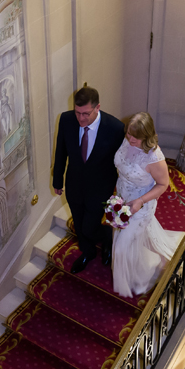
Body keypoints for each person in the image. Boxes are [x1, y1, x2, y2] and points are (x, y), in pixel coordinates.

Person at [52, 86, 125, 273]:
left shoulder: (115, 128)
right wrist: (58, 181)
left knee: (88, 227)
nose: (81, 118)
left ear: (97, 107)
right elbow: (61, 152)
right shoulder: (67, 120)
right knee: (78, 223)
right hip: (74, 185)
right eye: (78, 113)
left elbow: (122, 162)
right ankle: (88, 252)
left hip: (101, 187)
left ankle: (107, 235)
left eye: (86, 114)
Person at [111, 112, 183, 298]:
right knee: (131, 239)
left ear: (147, 135)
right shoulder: (128, 141)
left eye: (136, 136)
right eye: (129, 134)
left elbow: (163, 185)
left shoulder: (154, 157)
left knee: (122, 246)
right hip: (121, 198)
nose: (130, 139)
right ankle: (136, 268)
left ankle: (142, 277)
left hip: (141, 205)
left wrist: (140, 201)